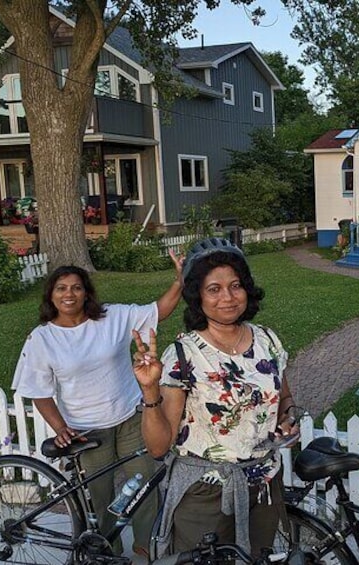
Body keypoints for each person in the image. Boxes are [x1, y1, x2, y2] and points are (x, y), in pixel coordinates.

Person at [132, 237, 298, 559]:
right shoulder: (184, 355)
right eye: (214, 289)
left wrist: (289, 420)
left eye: (235, 285)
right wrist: (150, 390)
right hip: (205, 493)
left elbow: (284, 398)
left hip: (263, 486)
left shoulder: (267, 341)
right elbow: (158, 446)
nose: (228, 297)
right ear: (198, 296)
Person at [11, 252, 184, 557]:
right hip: (86, 432)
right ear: (51, 295)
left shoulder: (111, 318)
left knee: (144, 492)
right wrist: (60, 427)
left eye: (76, 287)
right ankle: (108, 556)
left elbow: (158, 311)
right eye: (61, 288)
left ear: (86, 292)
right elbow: (38, 391)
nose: (69, 294)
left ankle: (146, 553)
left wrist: (180, 280)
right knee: (99, 503)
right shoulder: (42, 339)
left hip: (131, 419)